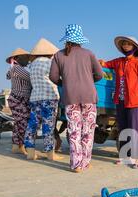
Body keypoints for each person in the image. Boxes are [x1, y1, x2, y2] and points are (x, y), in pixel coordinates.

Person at [50, 24, 103, 173]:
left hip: (70, 97)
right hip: (89, 97)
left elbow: (53, 76)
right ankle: (86, 163)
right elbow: (100, 75)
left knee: (74, 131)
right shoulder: (89, 54)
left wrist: (65, 83)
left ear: (66, 39)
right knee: (88, 131)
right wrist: (87, 80)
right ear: (80, 39)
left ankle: (76, 165)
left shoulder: (58, 55)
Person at [99, 36, 138, 169]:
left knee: (134, 130)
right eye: (124, 44)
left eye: (128, 44)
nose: (126, 46)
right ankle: (124, 156)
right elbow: (106, 64)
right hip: (120, 101)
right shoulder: (118, 61)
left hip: (134, 102)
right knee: (123, 129)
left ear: (134, 47)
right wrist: (99, 62)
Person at [25, 38, 62, 161]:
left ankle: (30, 152)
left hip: (35, 98)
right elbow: (58, 77)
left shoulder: (32, 65)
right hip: (50, 97)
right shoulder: (50, 63)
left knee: (32, 125)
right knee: (48, 125)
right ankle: (50, 154)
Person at [5, 48, 32, 155]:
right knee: (23, 123)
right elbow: (31, 78)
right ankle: (22, 146)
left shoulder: (14, 68)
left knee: (18, 124)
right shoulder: (17, 68)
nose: (27, 60)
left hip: (17, 99)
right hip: (19, 99)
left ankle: (15, 146)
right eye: (25, 57)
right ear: (17, 58)